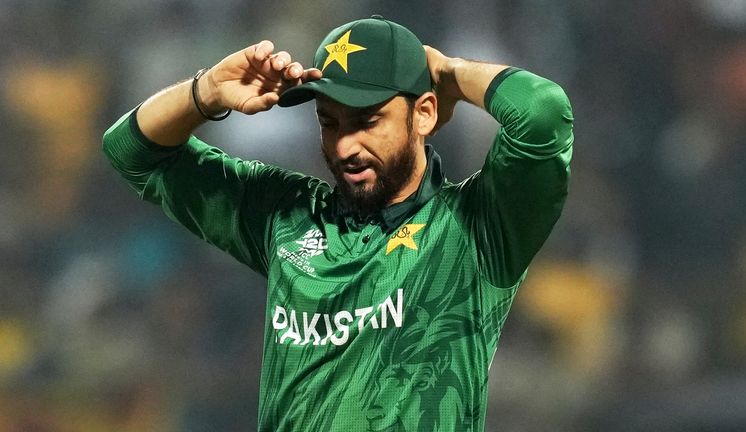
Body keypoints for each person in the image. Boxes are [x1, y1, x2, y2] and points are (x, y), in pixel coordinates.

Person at [103, 15, 573, 432]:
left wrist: (448, 71)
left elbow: (543, 114)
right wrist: (204, 93)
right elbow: (131, 152)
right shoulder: (285, 216)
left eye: (368, 121)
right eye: (331, 123)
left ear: (424, 112)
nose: (346, 146)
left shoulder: (474, 228)